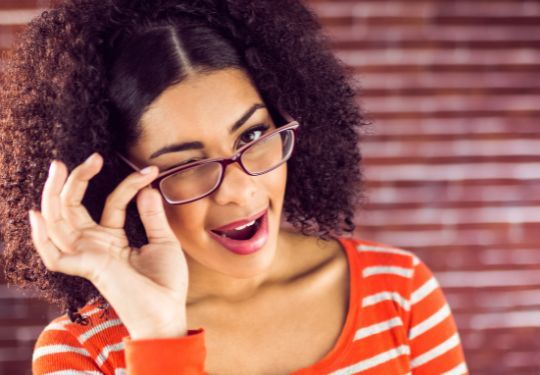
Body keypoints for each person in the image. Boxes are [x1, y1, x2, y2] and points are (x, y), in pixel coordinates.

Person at [0, 0, 468, 374]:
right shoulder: (81, 354)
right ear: (119, 181)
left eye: (251, 136)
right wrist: (159, 337)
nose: (238, 192)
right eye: (186, 164)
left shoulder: (400, 291)